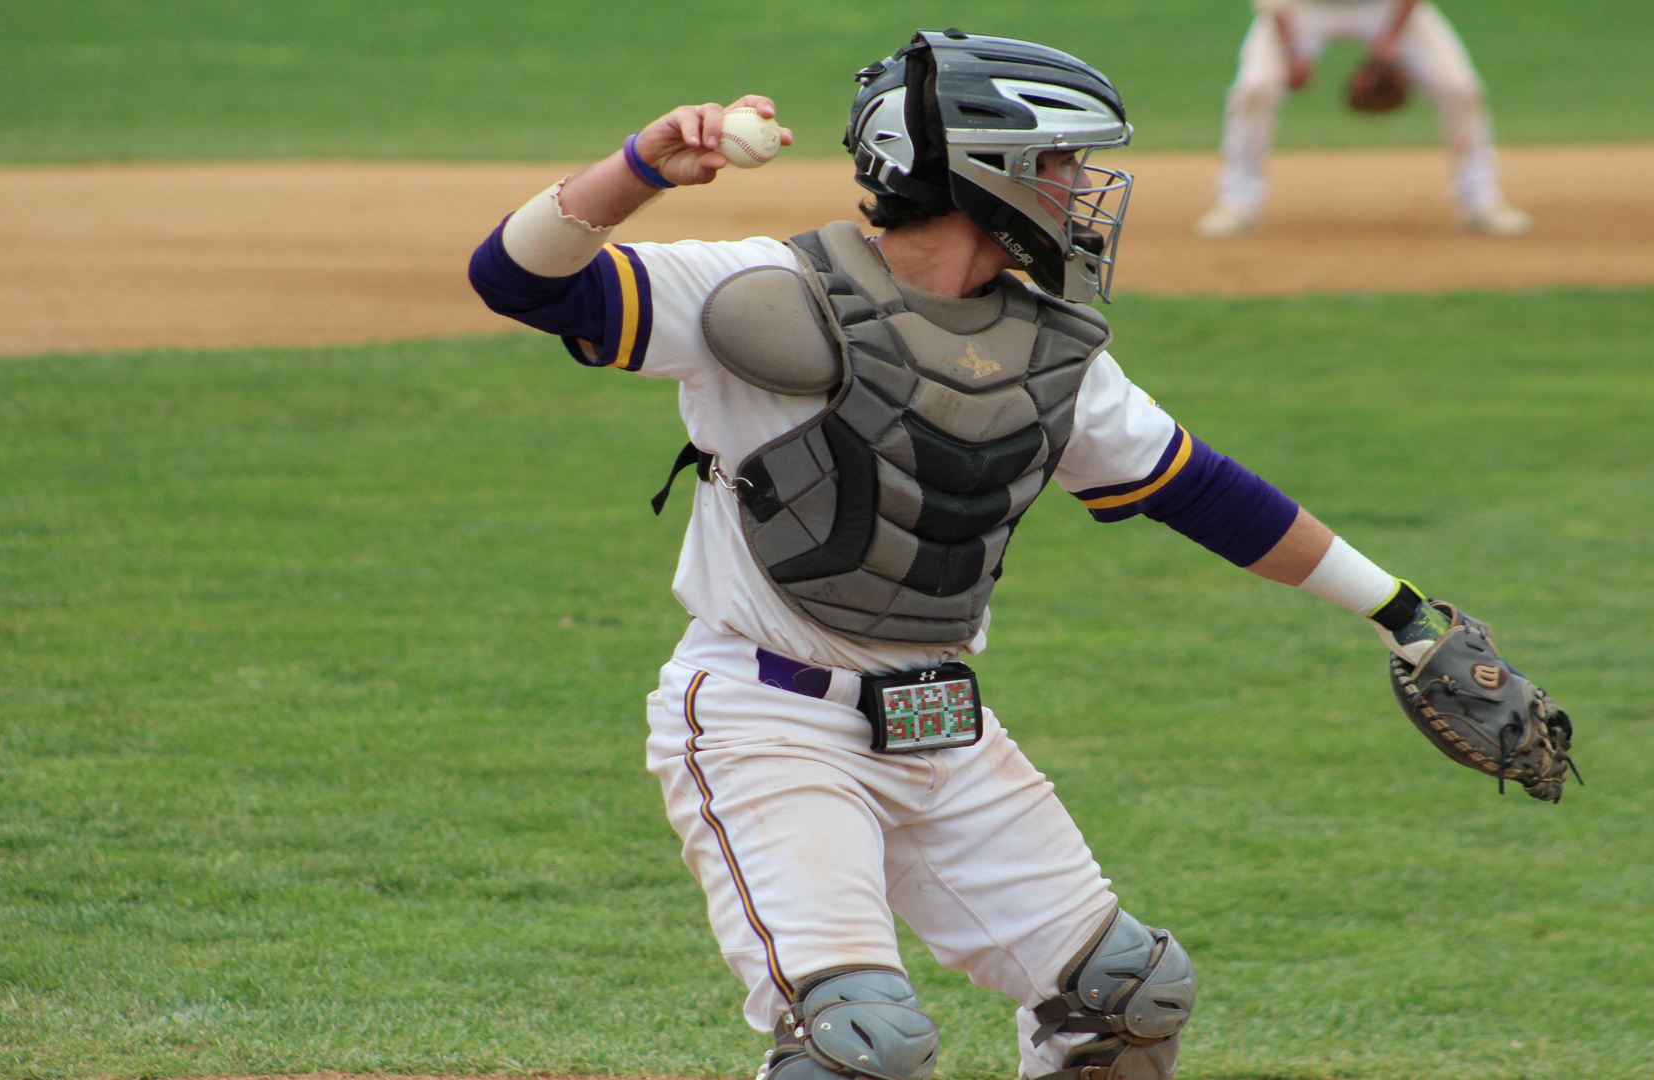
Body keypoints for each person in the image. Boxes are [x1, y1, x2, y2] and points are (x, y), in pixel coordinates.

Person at [468, 29, 1462, 1080]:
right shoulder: (767, 291)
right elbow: (517, 280)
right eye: (1067, 164)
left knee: (1128, 997)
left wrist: (1401, 614)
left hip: (941, 725)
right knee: (864, 1044)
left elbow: (1205, 492)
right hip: (769, 723)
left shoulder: (1048, 348)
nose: (1086, 189)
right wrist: (634, 172)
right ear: (988, 168)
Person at [1195, 0, 1533, 239]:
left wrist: (1391, 40)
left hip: (1383, 7)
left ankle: (1480, 200)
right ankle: (1237, 202)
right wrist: (1293, 51)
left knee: (1459, 88)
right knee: (1256, 87)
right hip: (1304, 8)